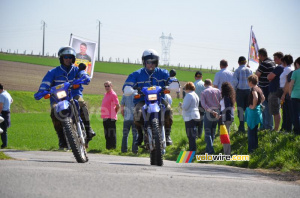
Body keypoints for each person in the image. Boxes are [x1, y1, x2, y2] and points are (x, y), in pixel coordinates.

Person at [36, 46, 95, 149]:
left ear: (73, 59)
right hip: (58, 98)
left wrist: (84, 78)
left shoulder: (77, 70)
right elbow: (45, 84)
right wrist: (43, 91)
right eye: (65, 57)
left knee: (81, 103)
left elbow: (83, 74)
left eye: (70, 57)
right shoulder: (53, 72)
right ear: (61, 58)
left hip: (74, 94)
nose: (68, 59)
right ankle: (61, 139)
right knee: (54, 111)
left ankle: (88, 129)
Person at [123, 49, 178, 146]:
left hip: (159, 100)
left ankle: (168, 135)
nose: (151, 64)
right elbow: (127, 86)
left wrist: (173, 83)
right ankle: (140, 135)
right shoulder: (136, 74)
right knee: (137, 112)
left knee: (168, 110)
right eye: (148, 62)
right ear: (144, 62)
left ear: (156, 63)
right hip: (142, 100)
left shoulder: (163, 72)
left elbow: (171, 80)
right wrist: (129, 89)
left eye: (153, 62)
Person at [256, 48, 275, 130]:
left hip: (264, 88)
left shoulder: (264, 63)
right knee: (266, 107)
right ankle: (267, 125)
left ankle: (267, 126)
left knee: (265, 107)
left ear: (260, 55)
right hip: (270, 87)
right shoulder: (272, 62)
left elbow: (257, 74)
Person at [232, 56, 253, 132]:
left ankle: (241, 127)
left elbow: (235, 82)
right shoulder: (250, 70)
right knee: (248, 109)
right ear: (245, 62)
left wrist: (234, 92)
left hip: (240, 91)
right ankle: (249, 127)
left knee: (240, 110)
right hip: (249, 91)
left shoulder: (237, 70)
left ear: (238, 62)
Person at [200, 79, 221, 154]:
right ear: (211, 84)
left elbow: (203, 105)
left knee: (207, 132)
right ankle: (208, 149)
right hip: (217, 111)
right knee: (213, 131)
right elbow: (221, 101)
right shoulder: (218, 91)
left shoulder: (204, 92)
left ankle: (211, 150)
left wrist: (211, 111)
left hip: (209, 112)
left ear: (204, 84)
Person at [245, 74, 265, 153]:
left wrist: (253, 106)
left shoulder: (253, 89)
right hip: (258, 112)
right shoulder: (259, 88)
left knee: (251, 132)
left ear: (250, 82)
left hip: (253, 113)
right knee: (255, 132)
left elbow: (256, 97)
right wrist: (259, 104)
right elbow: (263, 98)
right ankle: (255, 149)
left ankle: (251, 150)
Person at [266, 52, 284, 132]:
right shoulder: (281, 67)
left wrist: (269, 76)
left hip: (275, 91)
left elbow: (269, 77)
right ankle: (276, 128)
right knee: (275, 110)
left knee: (276, 111)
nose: (274, 60)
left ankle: (276, 129)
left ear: (281, 59)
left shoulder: (279, 67)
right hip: (276, 90)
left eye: (276, 58)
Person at [101, 81, 120, 150]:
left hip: (111, 117)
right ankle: (108, 148)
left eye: (108, 86)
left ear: (111, 86)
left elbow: (118, 105)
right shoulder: (106, 94)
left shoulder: (113, 94)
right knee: (107, 134)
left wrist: (115, 112)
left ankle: (113, 148)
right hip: (105, 116)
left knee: (111, 133)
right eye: (105, 86)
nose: (107, 87)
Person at [182, 82, 200, 151]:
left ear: (187, 88)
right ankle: (193, 149)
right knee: (193, 134)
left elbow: (185, 107)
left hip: (190, 116)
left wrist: (181, 106)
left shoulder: (189, 95)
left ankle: (192, 150)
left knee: (190, 135)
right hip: (196, 116)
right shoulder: (195, 95)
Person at [280, 55, 294, 132]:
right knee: (285, 111)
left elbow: (287, 82)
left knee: (287, 112)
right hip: (285, 91)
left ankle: (288, 129)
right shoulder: (288, 69)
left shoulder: (288, 69)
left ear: (284, 62)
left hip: (286, 92)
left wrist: (284, 94)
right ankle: (284, 127)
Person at [0, 84, 13, 149]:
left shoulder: (1, 95)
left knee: (2, 130)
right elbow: (11, 100)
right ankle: (4, 144)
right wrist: (7, 105)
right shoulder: (7, 93)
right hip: (7, 112)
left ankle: (4, 144)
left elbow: (0, 106)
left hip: (3, 113)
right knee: (4, 130)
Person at [289, 57, 300, 135]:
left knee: (296, 114)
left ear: (297, 64)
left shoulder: (295, 72)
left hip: (295, 96)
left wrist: (290, 93)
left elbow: (291, 85)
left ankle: (297, 131)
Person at [193, 71, 205, 138]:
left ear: (195, 77)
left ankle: (195, 135)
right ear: (201, 77)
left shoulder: (193, 84)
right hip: (202, 104)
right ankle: (200, 135)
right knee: (201, 119)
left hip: (195, 103)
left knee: (194, 119)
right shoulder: (204, 84)